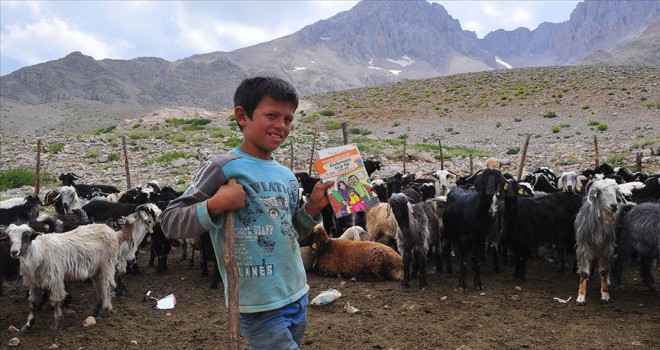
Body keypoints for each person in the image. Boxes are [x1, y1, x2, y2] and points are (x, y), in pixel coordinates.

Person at [161, 76, 333, 349]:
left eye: (288, 119)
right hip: (258, 305)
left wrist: (311, 208)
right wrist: (215, 205)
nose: (281, 126)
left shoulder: (286, 175)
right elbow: (170, 221)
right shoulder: (224, 167)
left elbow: (287, 232)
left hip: (297, 294)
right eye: (272, 115)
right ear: (242, 116)